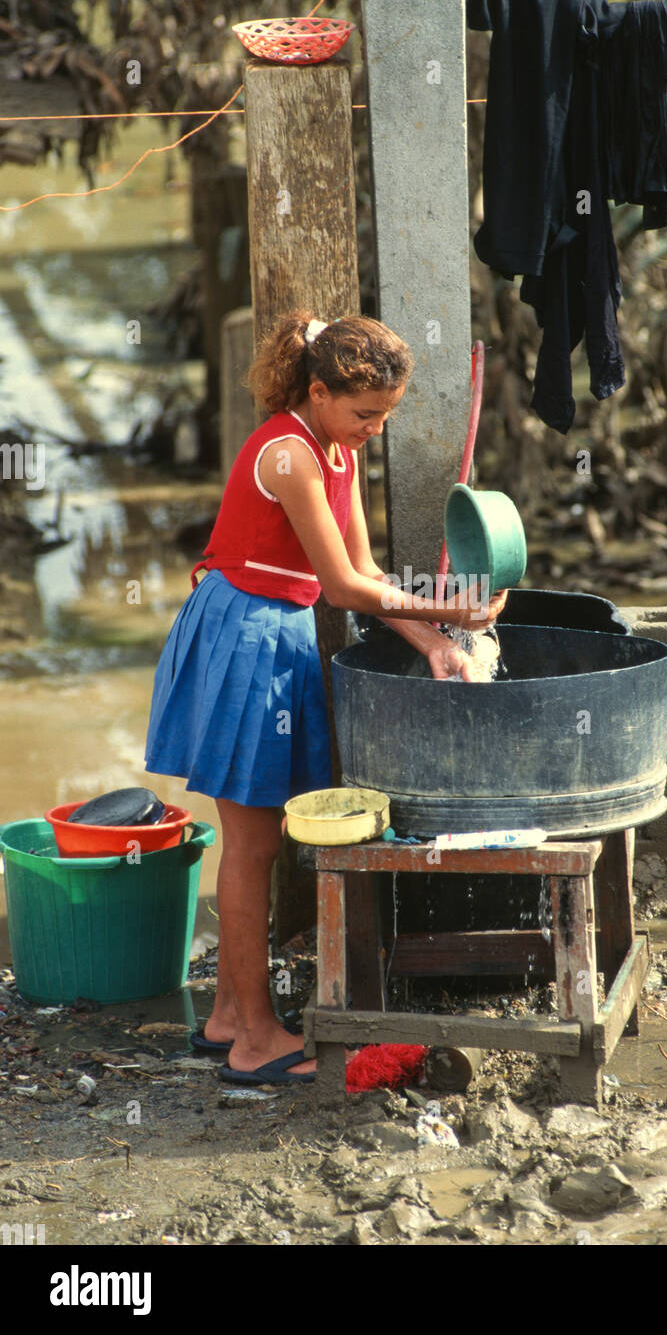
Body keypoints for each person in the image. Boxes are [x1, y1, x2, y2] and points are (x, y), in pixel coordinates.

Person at [144, 311, 506, 1085]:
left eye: (386, 415)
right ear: (317, 390)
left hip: (276, 633)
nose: (376, 428)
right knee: (252, 845)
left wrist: (440, 639)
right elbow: (339, 588)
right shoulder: (290, 456)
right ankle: (254, 1043)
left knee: (261, 840)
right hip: (244, 635)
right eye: (365, 413)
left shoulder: (337, 452)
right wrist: (459, 609)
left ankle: (226, 1016)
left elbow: (368, 578)